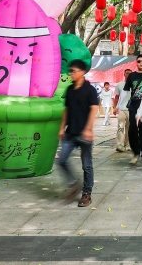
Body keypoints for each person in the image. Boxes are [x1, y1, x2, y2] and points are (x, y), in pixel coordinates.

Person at [57, 59, 99, 207]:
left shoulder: (90, 90)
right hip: (70, 132)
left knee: (87, 165)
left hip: (84, 134)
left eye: (74, 71)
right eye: (70, 71)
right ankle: (74, 183)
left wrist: (88, 129)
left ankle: (86, 193)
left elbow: (94, 109)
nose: (71, 74)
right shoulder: (69, 89)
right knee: (61, 160)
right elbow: (66, 109)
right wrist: (62, 127)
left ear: (82, 72)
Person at [124, 55, 142, 164]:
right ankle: (136, 152)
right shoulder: (132, 76)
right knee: (132, 130)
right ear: (136, 63)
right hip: (134, 107)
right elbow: (125, 91)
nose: (141, 63)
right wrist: (118, 105)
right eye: (139, 61)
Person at [113, 69, 132, 152]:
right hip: (121, 109)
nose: (128, 75)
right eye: (127, 73)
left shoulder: (134, 85)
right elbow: (116, 97)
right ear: (124, 74)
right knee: (120, 126)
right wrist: (114, 107)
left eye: (130, 73)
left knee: (129, 128)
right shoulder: (120, 85)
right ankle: (120, 144)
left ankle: (128, 144)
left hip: (131, 110)